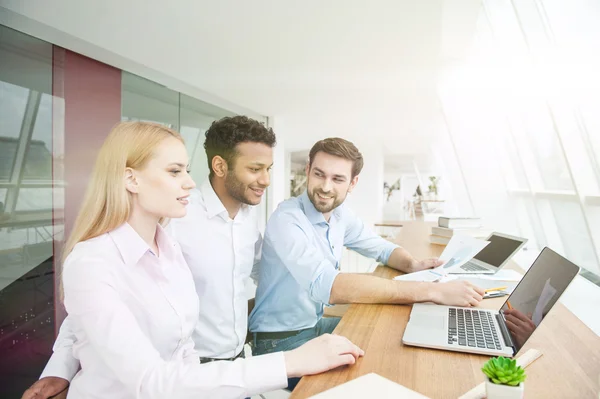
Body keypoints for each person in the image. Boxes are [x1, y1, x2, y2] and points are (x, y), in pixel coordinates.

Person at [22, 122, 363, 399]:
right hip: (178, 378)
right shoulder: (167, 226)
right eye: (174, 171)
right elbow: (94, 316)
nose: (188, 181)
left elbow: (259, 273)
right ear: (131, 179)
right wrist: (59, 367)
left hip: (218, 370)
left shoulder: (183, 241)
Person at [250, 138, 484, 388]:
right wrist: (432, 291)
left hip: (313, 325)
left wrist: (412, 264)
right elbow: (329, 287)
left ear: (353, 183)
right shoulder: (287, 219)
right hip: (279, 343)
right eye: (319, 174)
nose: (326, 187)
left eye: (338, 179)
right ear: (308, 171)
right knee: (371, 374)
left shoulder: (339, 215)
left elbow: (381, 248)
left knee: (393, 333)